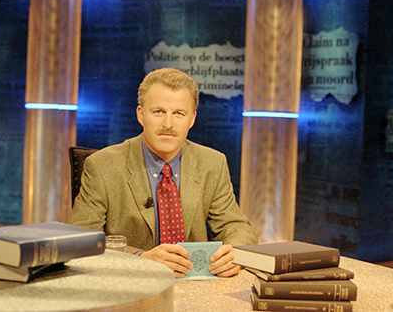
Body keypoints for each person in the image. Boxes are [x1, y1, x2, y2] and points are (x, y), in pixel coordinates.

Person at [69, 68, 258, 278]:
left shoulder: (212, 163)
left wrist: (233, 253)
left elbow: (237, 227)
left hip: (196, 289)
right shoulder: (103, 166)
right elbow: (79, 241)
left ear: (192, 118)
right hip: (131, 287)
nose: (168, 124)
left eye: (179, 114)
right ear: (140, 114)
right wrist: (140, 259)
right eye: (158, 112)